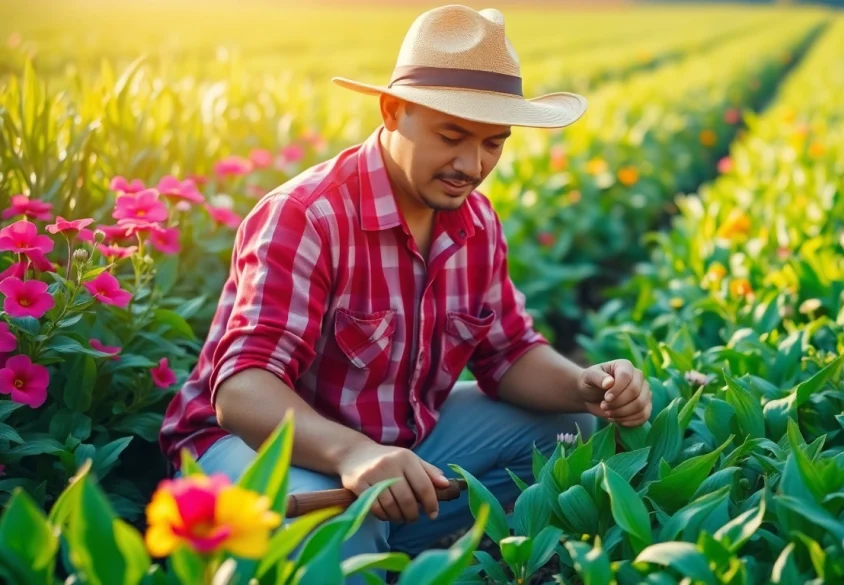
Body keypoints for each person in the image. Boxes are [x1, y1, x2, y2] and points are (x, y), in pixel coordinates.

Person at [158, 3, 652, 574]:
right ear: (392, 111)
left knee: (568, 426)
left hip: (392, 444)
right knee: (334, 524)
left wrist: (589, 386)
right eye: (452, 135)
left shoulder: (476, 222)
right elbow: (242, 391)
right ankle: (364, 542)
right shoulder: (307, 216)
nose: (472, 164)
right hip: (253, 446)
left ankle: (399, 545)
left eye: (494, 143)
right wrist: (353, 454)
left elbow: (509, 353)